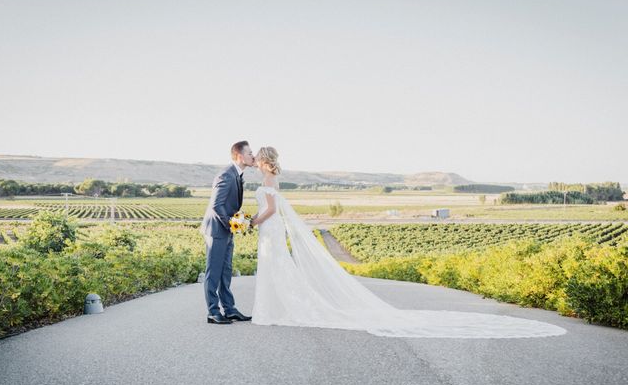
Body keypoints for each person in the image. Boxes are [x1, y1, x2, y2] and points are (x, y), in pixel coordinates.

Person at [249, 147, 567, 339]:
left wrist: (252, 221)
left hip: (270, 227)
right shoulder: (268, 179)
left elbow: (272, 209)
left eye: (259, 159)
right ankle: (276, 306)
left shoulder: (269, 180)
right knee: (277, 267)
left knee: (278, 267)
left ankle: (279, 308)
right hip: (271, 230)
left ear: (266, 161)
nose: (258, 162)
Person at [200, 141, 255, 324]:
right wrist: (232, 224)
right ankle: (213, 312)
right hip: (217, 230)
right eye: (249, 153)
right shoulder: (226, 175)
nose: (252, 156)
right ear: (239, 156)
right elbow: (217, 205)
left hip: (226, 229)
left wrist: (235, 223)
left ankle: (229, 309)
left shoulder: (237, 175)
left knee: (226, 271)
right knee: (213, 272)